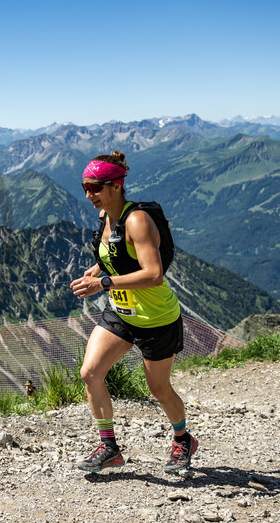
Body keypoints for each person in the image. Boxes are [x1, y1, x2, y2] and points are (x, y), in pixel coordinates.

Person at [70, 151, 197, 474]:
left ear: (116, 185)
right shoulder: (106, 219)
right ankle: (109, 447)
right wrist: (96, 269)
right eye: (85, 186)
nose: (89, 194)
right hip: (121, 313)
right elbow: (116, 254)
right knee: (90, 373)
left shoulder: (137, 220)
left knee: (159, 389)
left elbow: (154, 274)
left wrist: (104, 283)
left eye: (95, 187)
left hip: (156, 319)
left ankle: (183, 439)